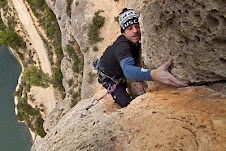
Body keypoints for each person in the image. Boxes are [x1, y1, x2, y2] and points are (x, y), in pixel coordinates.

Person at [97, 8, 187, 108]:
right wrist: (153, 74)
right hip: (109, 77)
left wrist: (138, 77)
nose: (135, 31)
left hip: (118, 68)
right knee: (126, 103)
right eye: (130, 28)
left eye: (137, 26)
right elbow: (127, 70)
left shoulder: (134, 42)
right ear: (123, 32)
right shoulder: (123, 47)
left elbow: (131, 60)